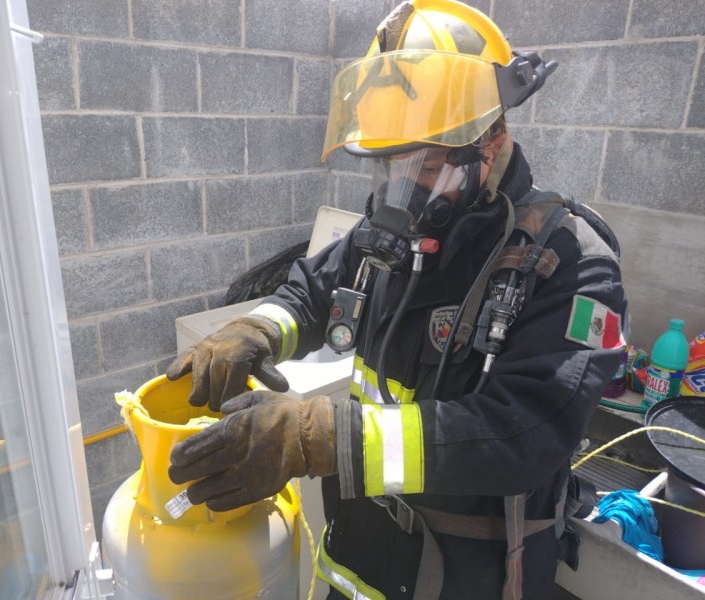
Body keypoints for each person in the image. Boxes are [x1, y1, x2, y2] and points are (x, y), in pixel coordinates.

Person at [166, 1, 628, 598]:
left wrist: (323, 436)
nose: (401, 192)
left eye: (426, 166)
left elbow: (524, 433)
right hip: (360, 555)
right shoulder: (388, 234)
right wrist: (258, 330)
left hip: (467, 574)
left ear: (490, 143)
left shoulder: (568, 263)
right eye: (389, 166)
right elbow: (312, 292)